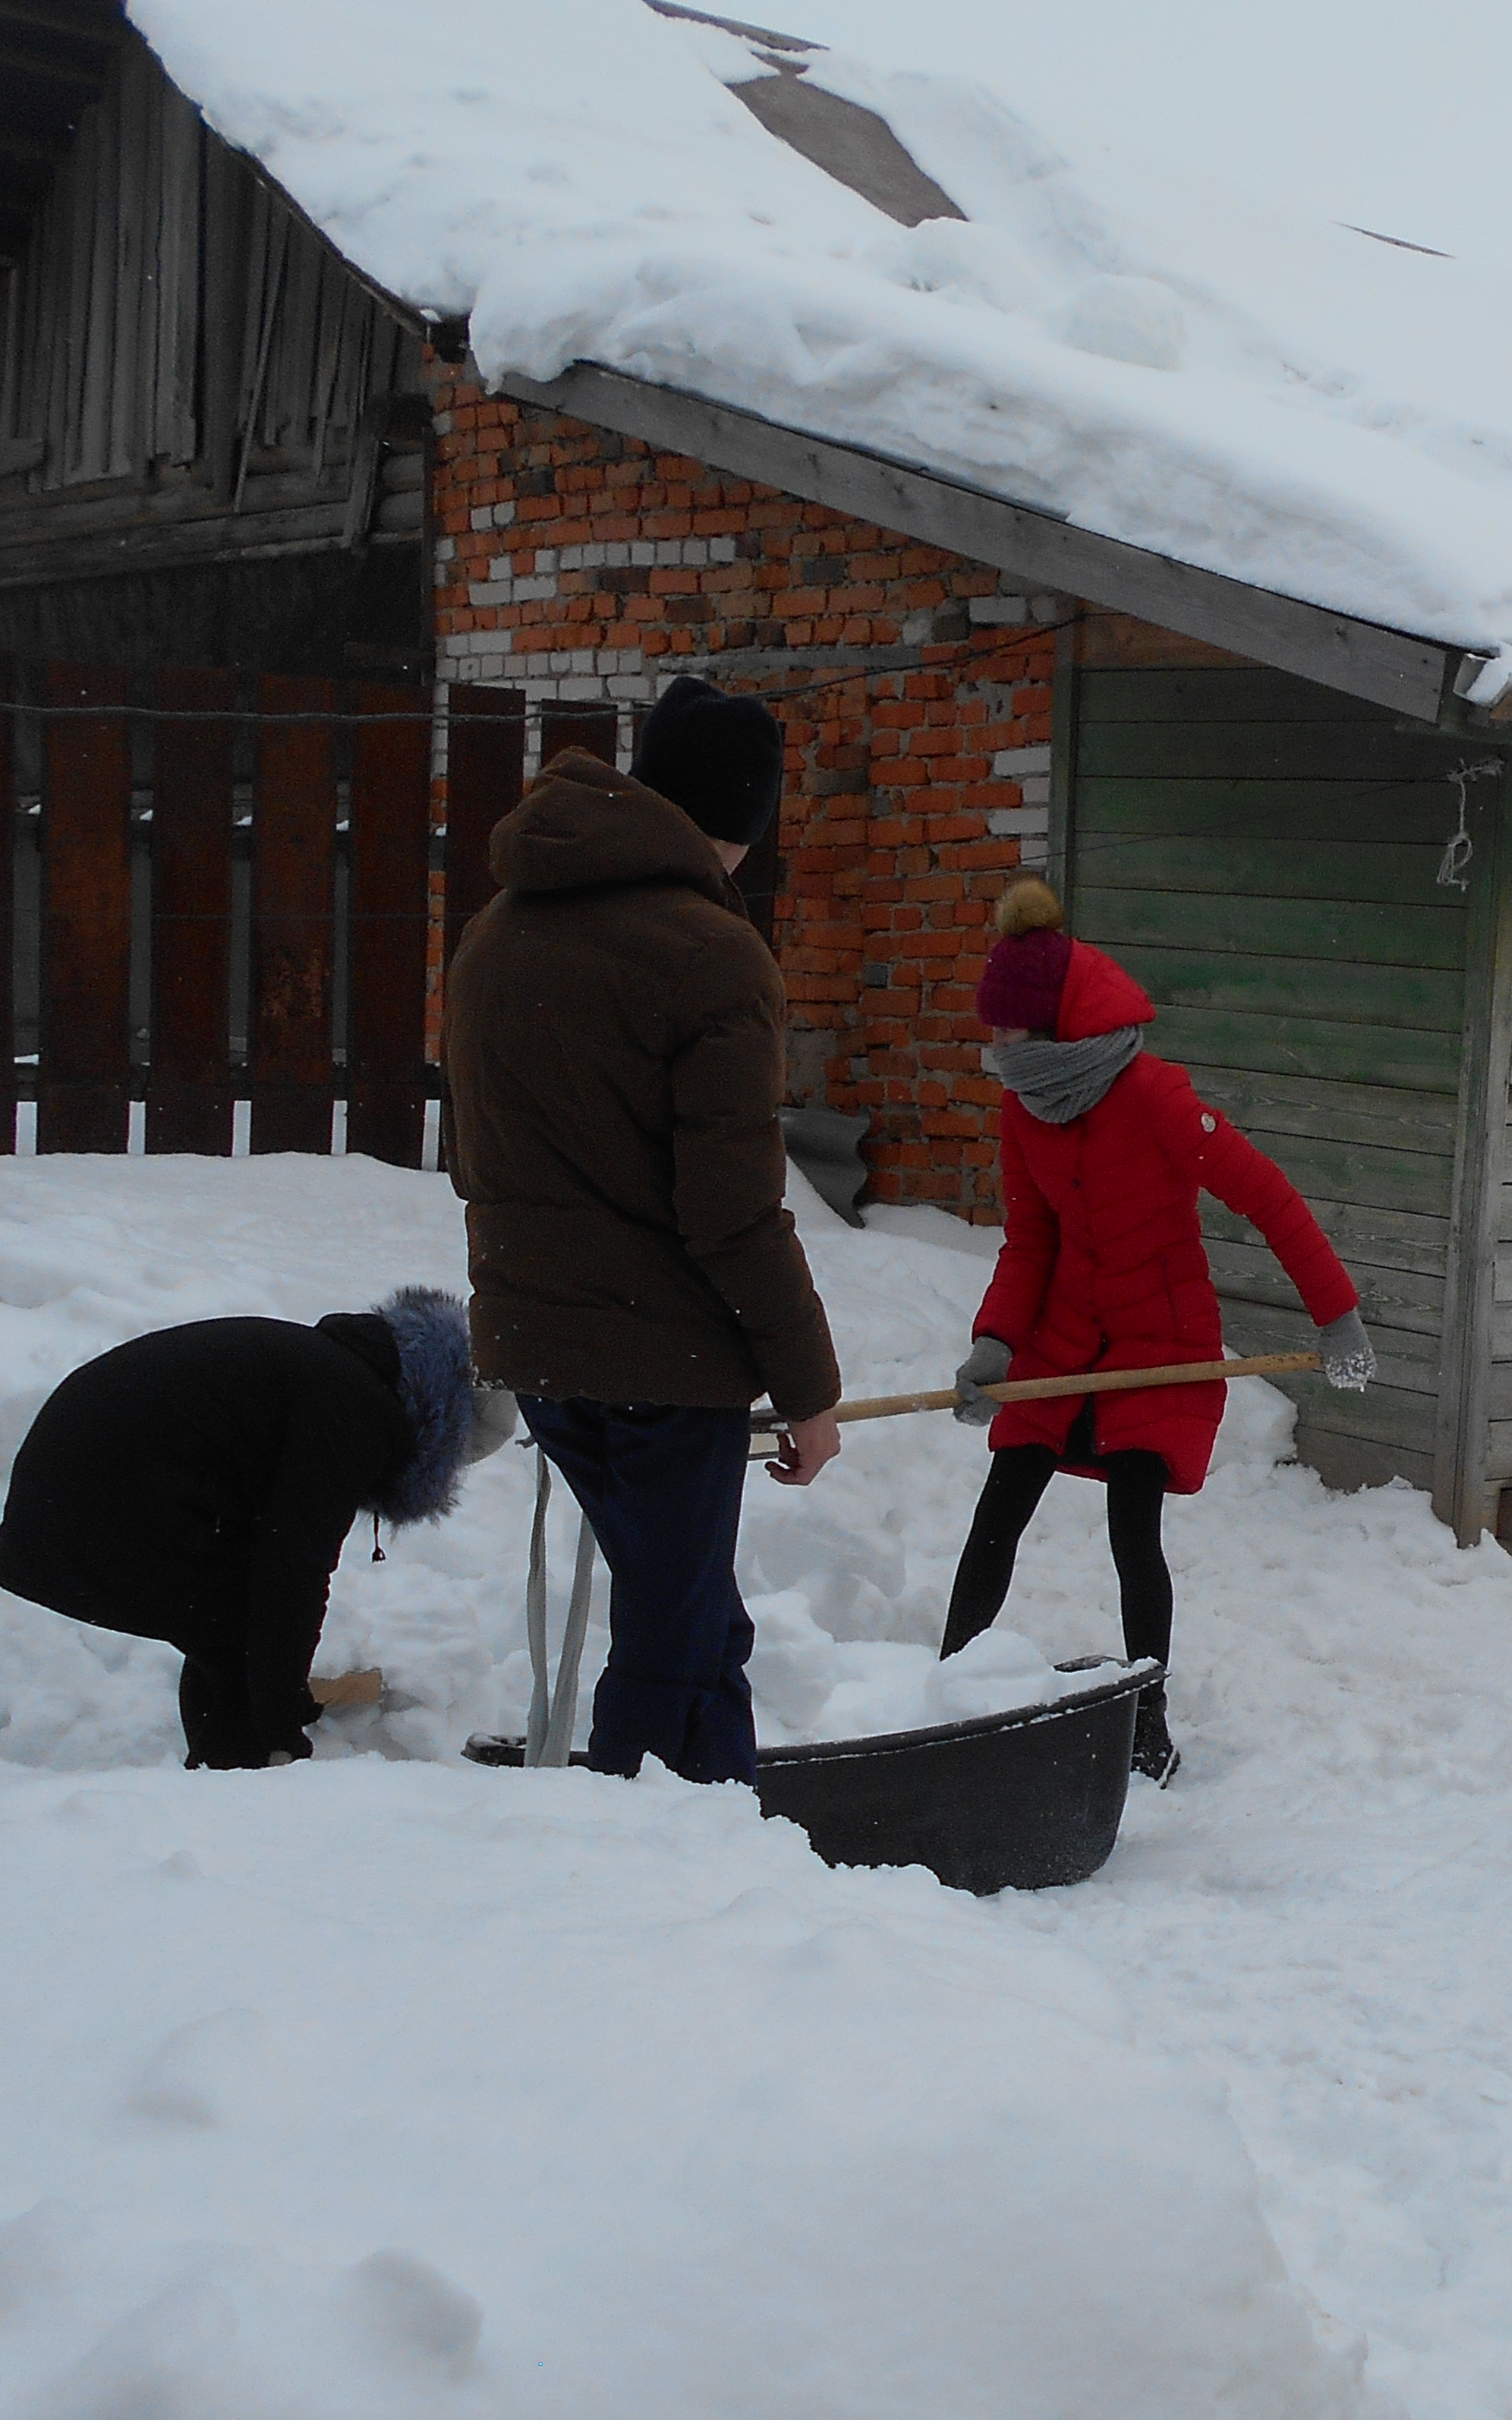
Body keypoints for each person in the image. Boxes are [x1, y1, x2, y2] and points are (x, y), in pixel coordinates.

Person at [440, 677, 845, 1785]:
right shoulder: (708, 953)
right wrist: (808, 1388)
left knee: (700, 1623)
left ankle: (726, 1854)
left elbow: (474, 1155)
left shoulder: (500, 926)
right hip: (663, 1367)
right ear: (745, 817)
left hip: (539, 1348)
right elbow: (731, 1211)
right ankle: (637, 1881)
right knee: (670, 1649)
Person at [939, 876, 1370, 1785]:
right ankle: (945, 1697)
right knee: (999, 1509)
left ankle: (1147, 1717)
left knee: (1133, 1530)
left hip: (1156, 1346)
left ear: (1051, 1029)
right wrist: (998, 1341)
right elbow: (1032, 1237)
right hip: (1061, 1343)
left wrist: (1336, 1316)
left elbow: (1266, 1196)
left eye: (1008, 1032)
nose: (997, 1049)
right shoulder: (1025, 1107)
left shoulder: (1155, 1098)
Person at [0, 1285, 515, 1767]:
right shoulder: (352, 1408)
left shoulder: (333, 1375)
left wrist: (280, 1698)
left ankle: (235, 1772)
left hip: (74, 1484)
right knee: (235, 1631)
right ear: (443, 1430)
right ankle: (247, 1777)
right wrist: (283, 1714)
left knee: (229, 1628)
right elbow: (295, 1564)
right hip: (96, 1493)